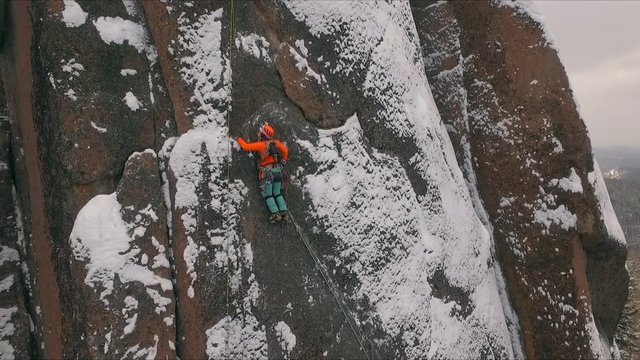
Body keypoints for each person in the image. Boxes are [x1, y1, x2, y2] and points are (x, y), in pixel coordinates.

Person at [237, 124, 290, 223]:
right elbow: (285, 151)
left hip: (267, 171)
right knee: (277, 193)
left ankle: (275, 214)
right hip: (277, 170)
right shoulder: (276, 143)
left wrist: (239, 139)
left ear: (263, 134)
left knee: (268, 194)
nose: (259, 133)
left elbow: (245, 147)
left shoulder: (261, 145)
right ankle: (284, 213)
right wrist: (283, 161)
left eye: (260, 132)